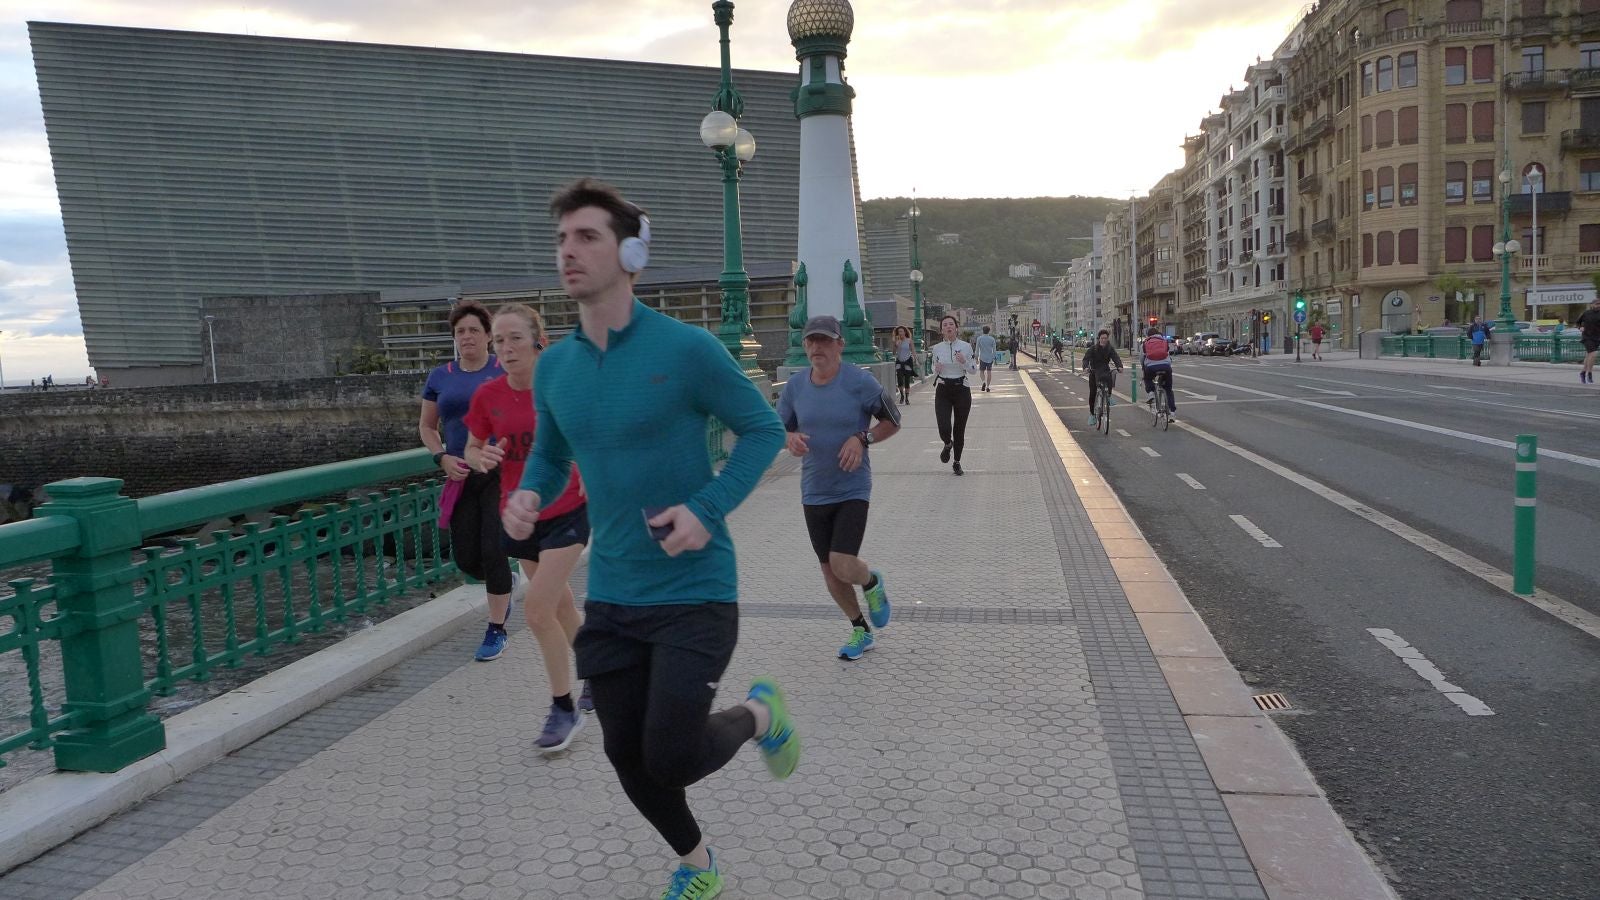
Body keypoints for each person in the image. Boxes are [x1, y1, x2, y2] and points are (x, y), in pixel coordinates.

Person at [501, 178, 794, 900]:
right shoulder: (558, 367)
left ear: (631, 253)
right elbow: (552, 450)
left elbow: (762, 430)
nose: (569, 251)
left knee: (670, 756)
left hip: (695, 590)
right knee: (627, 758)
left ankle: (760, 714)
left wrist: (706, 506)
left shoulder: (687, 349)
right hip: (616, 596)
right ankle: (699, 866)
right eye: (562, 239)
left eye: (587, 237)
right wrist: (531, 491)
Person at [464, 303, 591, 753]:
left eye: (515, 337)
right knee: (560, 605)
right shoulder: (488, 396)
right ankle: (598, 671)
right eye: (499, 340)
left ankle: (564, 708)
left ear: (538, 341)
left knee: (537, 608)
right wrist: (483, 458)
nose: (506, 347)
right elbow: (473, 447)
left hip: (568, 510)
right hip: (518, 518)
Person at [777, 315, 901, 661]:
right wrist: (788, 437)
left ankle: (871, 581)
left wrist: (864, 438)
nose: (817, 347)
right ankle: (860, 630)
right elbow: (775, 427)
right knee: (829, 570)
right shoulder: (795, 387)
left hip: (852, 487)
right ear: (804, 346)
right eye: (811, 341)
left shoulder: (860, 382)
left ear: (839, 345)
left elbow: (894, 420)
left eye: (824, 340)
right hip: (813, 490)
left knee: (843, 562)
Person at [418, 300, 515, 662]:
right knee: (466, 559)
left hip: (499, 473)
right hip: (460, 475)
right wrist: (441, 456)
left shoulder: (503, 369)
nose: (467, 336)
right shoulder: (440, 376)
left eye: (474, 329)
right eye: (461, 331)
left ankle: (496, 629)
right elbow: (427, 427)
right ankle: (504, 585)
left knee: (493, 551)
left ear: (489, 336)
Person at [929, 314, 976, 476]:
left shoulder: (966, 346)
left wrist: (963, 361)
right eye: (945, 325)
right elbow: (931, 368)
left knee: (959, 428)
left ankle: (957, 462)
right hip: (943, 389)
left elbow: (973, 370)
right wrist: (936, 369)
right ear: (941, 330)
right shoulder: (936, 348)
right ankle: (947, 443)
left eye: (951, 324)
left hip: (961, 389)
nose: (948, 327)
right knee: (944, 427)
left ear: (956, 328)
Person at [1081, 329, 1123, 427]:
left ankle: (1108, 396)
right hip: (1094, 371)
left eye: (1105, 338)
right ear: (1099, 339)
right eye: (1102, 338)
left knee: (1110, 378)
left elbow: (1116, 357)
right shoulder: (1093, 349)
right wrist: (1086, 367)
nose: (1104, 340)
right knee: (1092, 393)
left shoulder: (1110, 348)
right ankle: (1092, 414)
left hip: (1104, 369)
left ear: (1107, 339)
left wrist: (1119, 366)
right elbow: (1086, 359)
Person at [1140, 328, 1176, 422]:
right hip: (1165, 367)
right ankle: (1172, 413)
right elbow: (1168, 354)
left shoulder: (1145, 343)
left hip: (1151, 367)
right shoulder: (1164, 341)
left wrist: (1144, 368)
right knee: (1168, 389)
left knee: (1147, 379)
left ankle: (1151, 393)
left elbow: (1142, 358)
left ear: (1148, 335)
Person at [1577, 297, 1600, 384]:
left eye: (1599, 304)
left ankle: (1583, 372)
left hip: (1597, 337)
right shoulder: (1586, 313)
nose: (1598, 306)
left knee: (1589, 356)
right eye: (1596, 304)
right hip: (1587, 337)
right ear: (1592, 305)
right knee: (1593, 354)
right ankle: (1589, 373)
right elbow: (1578, 322)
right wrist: (1580, 327)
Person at [892, 325, 916, 404]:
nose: (900, 333)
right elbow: (893, 352)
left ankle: (907, 398)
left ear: (905, 332)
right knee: (900, 380)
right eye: (899, 332)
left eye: (901, 331)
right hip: (899, 362)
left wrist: (916, 359)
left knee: (907, 381)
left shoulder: (909, 340)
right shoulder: (897, 341)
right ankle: (902, 395)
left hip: (907, 362)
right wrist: (895, 344)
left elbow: (913, 351)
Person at [974, 324, 998, 392]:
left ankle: (983, 382)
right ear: (989, 331)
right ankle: (987, 386)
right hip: (990, 358)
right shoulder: (992, 339)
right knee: (989, 372)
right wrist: (994, 358)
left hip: (982, 358)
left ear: (983, 331)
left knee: (981, 371)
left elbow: (977, 349)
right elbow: (994, 350)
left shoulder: (979, 338)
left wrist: (976, 358)